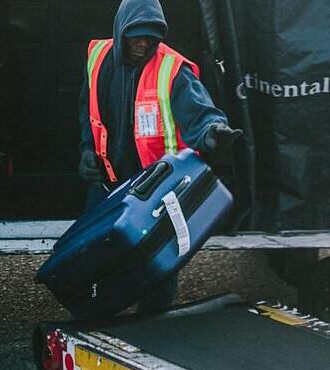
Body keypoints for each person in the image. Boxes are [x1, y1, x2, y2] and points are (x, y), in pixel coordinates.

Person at [77, 0, 240, 313]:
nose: (143, 44)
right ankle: (95, 320)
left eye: (151, 37)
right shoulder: (98, 58)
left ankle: (151, 332)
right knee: (94, 262)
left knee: (157, 269)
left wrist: (213, 131)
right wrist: (87, 148)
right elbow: (87, 107)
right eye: (136, 36)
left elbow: (200, 114)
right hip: (107, 185)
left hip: (155, 194)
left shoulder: (173, 71)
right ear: (121, 31)